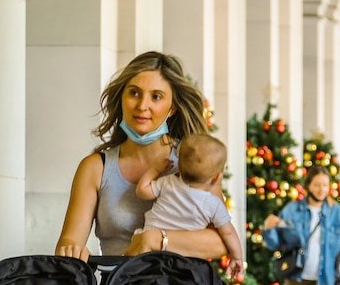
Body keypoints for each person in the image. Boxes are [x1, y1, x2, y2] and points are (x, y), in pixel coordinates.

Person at [55, 51, 227, 260]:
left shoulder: (191, 161)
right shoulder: (95, 167)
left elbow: (221, 242)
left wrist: (157, 240)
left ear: (172, 107)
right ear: (122, 98)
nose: (142, 106)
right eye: (134, 93)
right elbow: (69, 243)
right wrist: (71, 249)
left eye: (156, 97)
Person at [136, 133, 243, 280]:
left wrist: (155, 170)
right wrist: (237, 258)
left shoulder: (168, 182)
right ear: (217, 178)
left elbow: (142, 191)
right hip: (184, 259)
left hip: (147, 252)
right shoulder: (214, 204)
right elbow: (228, 233)